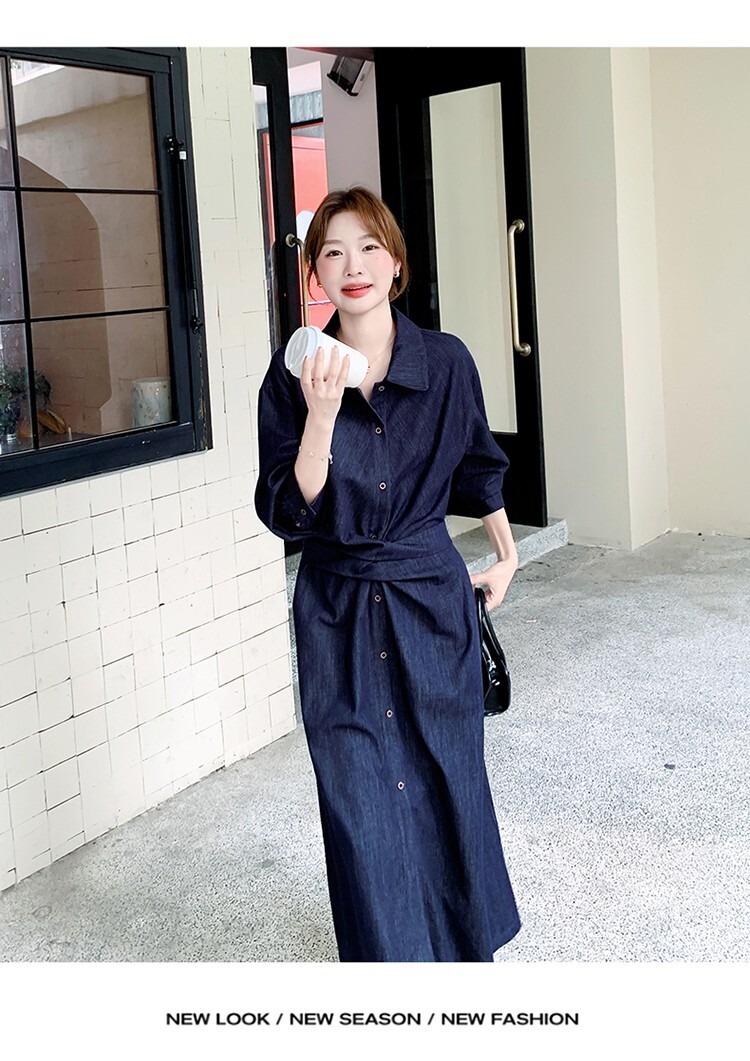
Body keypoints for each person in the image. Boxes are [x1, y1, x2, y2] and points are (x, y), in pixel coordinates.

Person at [254, 186, 521, 962]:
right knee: (358, 797)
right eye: (333, 251)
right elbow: (287, 509)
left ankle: (462, 955)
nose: (354, 265)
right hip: (336, 607)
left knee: (447, 779)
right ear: (315, 272)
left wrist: (506, 556)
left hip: (428, 598)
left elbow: (479, 466)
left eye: (369, 247)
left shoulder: (446, 361)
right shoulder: (292, 375)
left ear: (396, 262)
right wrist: (321, 417)